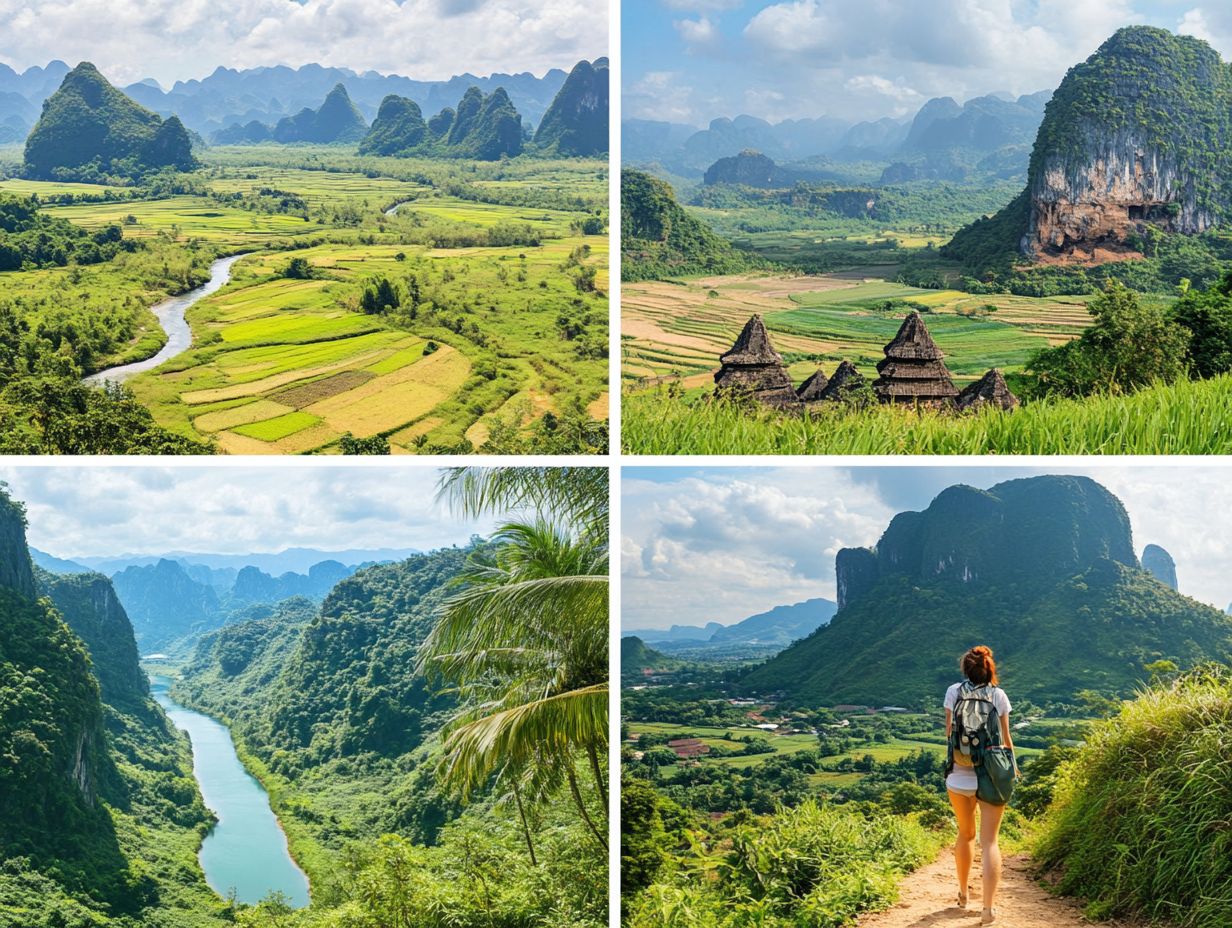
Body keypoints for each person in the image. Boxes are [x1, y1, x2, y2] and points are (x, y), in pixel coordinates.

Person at [944, 645, 1019, 926]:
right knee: (990, 842)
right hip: (990, 776)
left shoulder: (954, 692)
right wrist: (1012, 770)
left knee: (965, 835)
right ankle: (987, 910)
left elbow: (949, 734)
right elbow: (1007, 739)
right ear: (990, 669)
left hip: (958, 777)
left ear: (966, 669)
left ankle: (963, 894)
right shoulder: (998, 695)